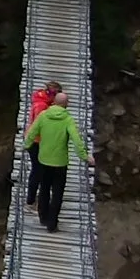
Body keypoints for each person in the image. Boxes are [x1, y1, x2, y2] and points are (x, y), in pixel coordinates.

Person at [22, 88, 93, 232]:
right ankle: (52, 223)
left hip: (43, 160)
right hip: (60, 163)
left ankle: (43, 216)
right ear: (66, 104)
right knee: (57, 193)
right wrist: (85, 157)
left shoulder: (43, 116)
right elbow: (77, 140)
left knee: (44, 189)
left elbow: (32, 132)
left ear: (53, 102)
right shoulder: (68, 120)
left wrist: (26, 145)